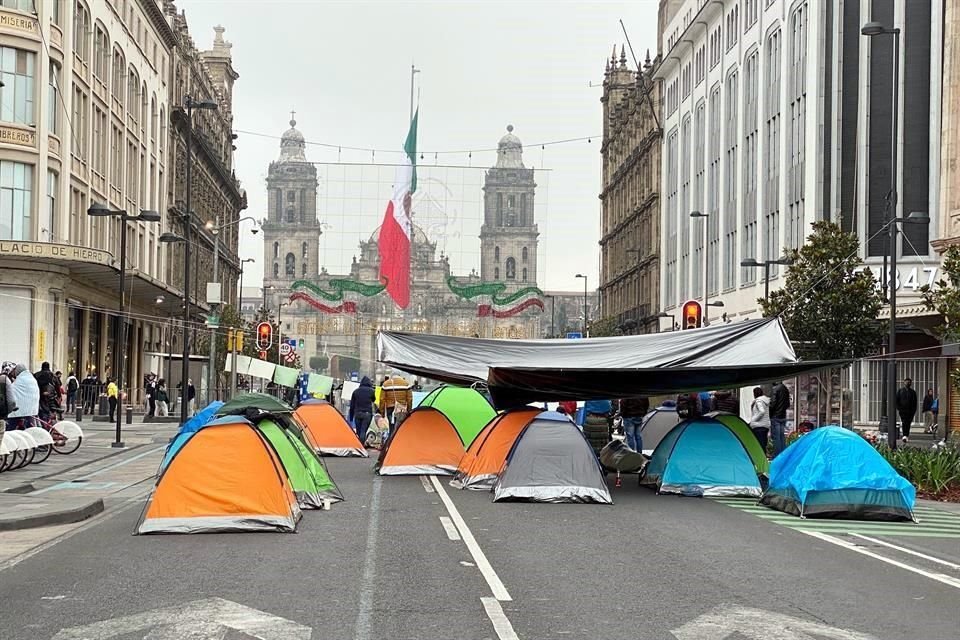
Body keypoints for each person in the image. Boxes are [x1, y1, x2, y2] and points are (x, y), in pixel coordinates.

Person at [349, 376, 377, 445]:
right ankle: (362, 447)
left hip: (357, 413)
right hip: (367, 414)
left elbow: (352, 405)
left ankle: (360, 445)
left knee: (358, 431)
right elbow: (374, 399)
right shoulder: (372, 391)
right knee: (363, 431)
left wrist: (351, 417)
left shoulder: (355, 392)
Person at [770, 381, 790, 456]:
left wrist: (770, 413)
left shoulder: (775, 389)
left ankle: (778, 455)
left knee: (776, 438)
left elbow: (773, 404)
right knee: (782, 437)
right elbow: (787, 404)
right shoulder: (785, 389)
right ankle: (783, 455)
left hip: (776, 416)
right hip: (783, 416)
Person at [749, 386, 771, 453]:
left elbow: (762, 411)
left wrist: (753, 420)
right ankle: (764, 456)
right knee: (763, 442)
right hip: (765, 425)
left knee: (759, 444)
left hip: (758, 425)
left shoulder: (759, 401)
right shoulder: (765, 401)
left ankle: (762, 457)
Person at [895, 377, 918, 443]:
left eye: (909, 382)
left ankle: (906, 435)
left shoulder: (913, 392)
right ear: (904, 382)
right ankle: (904, 435)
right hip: (903, 410)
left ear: (911, 383)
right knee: (904, 422)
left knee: (908, 423)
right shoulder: (900, 391)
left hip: (910, 411)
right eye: (906, 382)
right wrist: (899, 408)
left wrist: (913, 410)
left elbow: (915, 402)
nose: (908, 383)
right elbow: (897, 400)